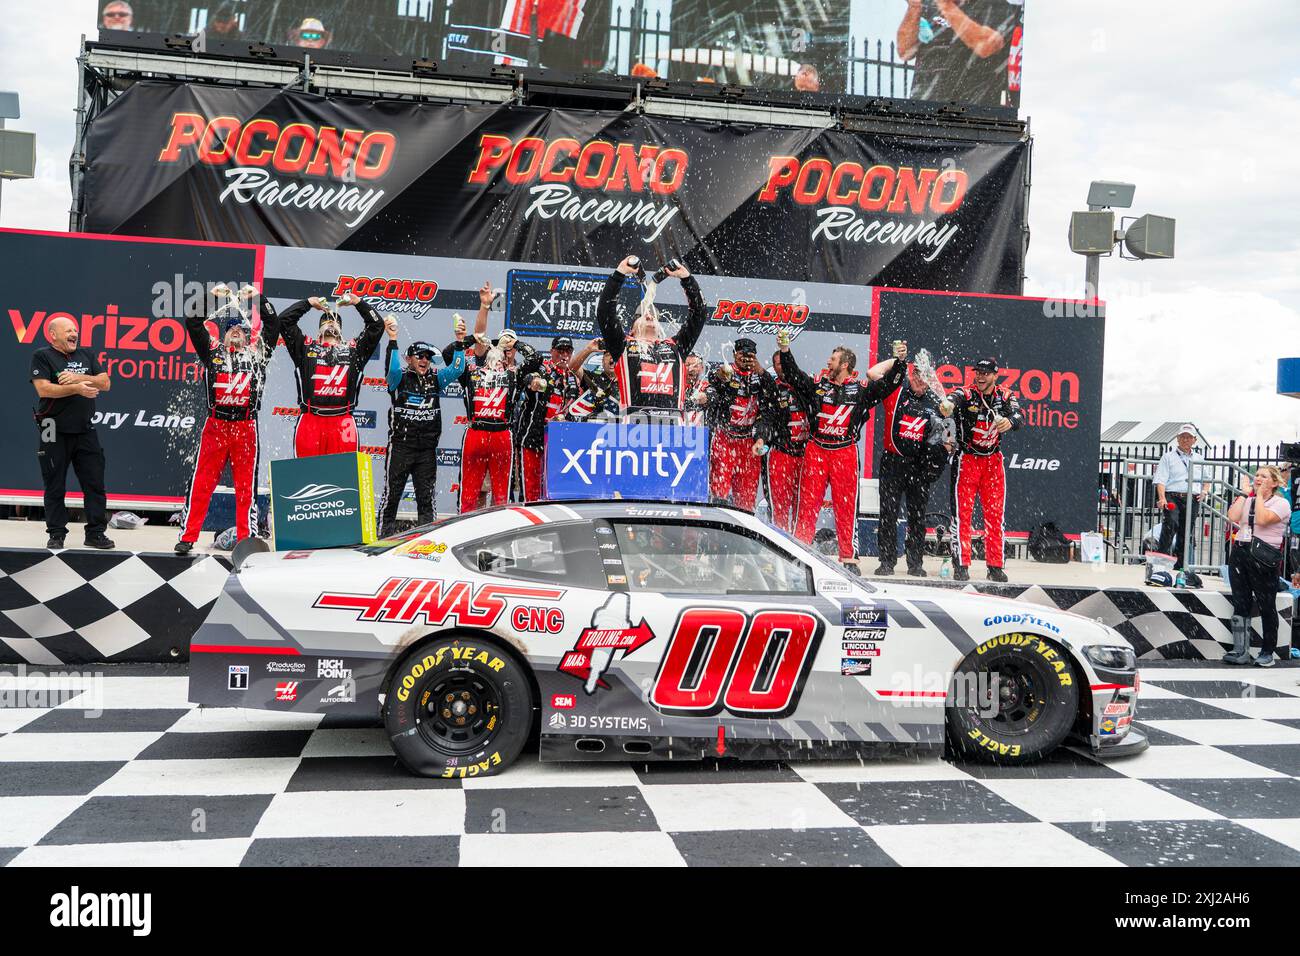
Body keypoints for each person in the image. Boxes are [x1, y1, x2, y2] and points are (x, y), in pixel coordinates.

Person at [780, 337, 908, 569]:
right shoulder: (818, 384)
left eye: (833, 358)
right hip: (816, 448)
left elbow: (890, 384)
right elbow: (794, 376)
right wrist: (785, 351)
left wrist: (900, 361)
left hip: (845, 452)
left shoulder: (860, 390)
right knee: (807, 504)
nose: (828, 361)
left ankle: (848, 557)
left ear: (845, 364)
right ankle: (800, 553)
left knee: (846, 506)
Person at [175, 284, 279, 554]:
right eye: (232, 329)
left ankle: (247, 540)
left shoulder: (258, 355)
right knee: (202, 483)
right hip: (216, 426)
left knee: (246, 488)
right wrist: (212, 297)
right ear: (223, 336)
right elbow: (193, 321)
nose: (236, 332)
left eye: (241, 330)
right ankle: (188, 536)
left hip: (246, 427)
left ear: (247, 337)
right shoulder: (212, 353)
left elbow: (273, 322)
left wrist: (257, 298)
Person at [378, 317, 468, 535]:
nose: (424, 360)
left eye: (428, 357)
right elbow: (391, 368)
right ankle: (382, 539)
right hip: (401, 447)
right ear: (409, 359)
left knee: (426, 501)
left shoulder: (436, 378)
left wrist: (459, 342)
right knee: (391, 497)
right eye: (420, 356)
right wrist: (392, 339)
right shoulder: (398, 379)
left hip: (427, 451)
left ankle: (427, 540)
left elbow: (457, 369)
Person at [31, 317, 115, 550]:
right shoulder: (43, 355)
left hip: (85, 430)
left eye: (76, 330)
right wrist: (75, 389)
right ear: (53, 335)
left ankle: (96, 533)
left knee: (95, 483)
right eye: (68, 330)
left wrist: (79, 378)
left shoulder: (86, 354)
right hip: (51, 428)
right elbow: (44, 388)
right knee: (54, 483)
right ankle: (56, 534)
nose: (74, 333)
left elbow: (105, 382)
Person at [596, 256, 707, 423]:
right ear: (631, 329)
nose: (649, 315)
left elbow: (699, 313)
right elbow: (605, 312)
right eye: (642, 315)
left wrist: (686, 279)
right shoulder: (623, 346)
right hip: (633, 433)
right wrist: (619, 274)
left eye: (654, 315)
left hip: (674, 431)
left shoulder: (676, 347)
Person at [943, 357, 1022, 581]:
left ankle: (995, 566)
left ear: (995, 376)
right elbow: (952, 399)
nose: (980, 376)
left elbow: (1019, 415)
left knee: (995, 516)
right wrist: (947, 405)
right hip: (967, 460)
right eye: (978, 372)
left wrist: (1010, 422)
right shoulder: (965, 394)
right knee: (962, 515)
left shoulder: (1005, 395)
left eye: (986, 373)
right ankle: (961, 564)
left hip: (993, 462)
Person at [279, 292, 385, 457]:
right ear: (319, 329)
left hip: (343, 422)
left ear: (340, 330)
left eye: (335, 322)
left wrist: (358, 302)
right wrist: (308, 302)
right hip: (310, 420)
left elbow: (377, 325)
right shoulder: (305, 349)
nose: (330, 323)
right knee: (305, 477)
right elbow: (284, 321)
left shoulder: (354, 350)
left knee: (344, 479)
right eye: (326, 321)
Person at [876, 363, 950, 576]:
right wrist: (896, 359)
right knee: (888, 514)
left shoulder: (938, 403)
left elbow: (948, 439)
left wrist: (940, 456)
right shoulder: (896, 391)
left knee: (917, 517)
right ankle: (887, 562)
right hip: (893, 462)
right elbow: (873, 374)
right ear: (909, 375)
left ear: (930, 379)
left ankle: (915, 563)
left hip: (919, 466)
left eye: (924, 376)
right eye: (915, 375)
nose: (919, 379)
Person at [458, 327, 542, 513]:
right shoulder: (477, 372)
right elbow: (453, 358)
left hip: (504, 436)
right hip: (478, 434)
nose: (503, 351)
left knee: (501, 493)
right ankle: (470, 526)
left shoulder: (516, 373)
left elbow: (536, 360)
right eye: (501, 345)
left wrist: (516, 344)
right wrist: (468, 339)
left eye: (508, 345)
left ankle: (496, 530)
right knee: (475, 492)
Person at [1225, 466, 1291, 667]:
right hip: (1241, 551)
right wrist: (1246, 495)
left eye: (1264, 476)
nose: (1258, 478)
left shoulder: (1281, 503)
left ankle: (1267, 652)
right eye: (1257, 475)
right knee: (1241, 601)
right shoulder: (1249, 499)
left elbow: (1262, 519)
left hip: (1263, 557)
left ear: (1274, 483)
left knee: (1266, 605)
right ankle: (1240, 650)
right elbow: (1233, 516)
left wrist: (1260, 497)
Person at [897, 0, 1021, 107]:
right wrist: (914, 6)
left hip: (972, 116)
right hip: (924, 109)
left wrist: (946, 6)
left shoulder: (996, 7)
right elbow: (904, 51)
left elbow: (985, 46)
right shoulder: (929, 6)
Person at [704, 338, 771, 511]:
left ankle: (742, 533)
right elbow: (712, 384)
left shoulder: (761, 377)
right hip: (724, 439)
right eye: (742, 354)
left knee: (747, 500)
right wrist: (719, 378)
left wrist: (761, 438)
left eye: (750, 355)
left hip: (748, 442)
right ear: (734, 354)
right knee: (719, 494)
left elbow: (768, 408)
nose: (746, 359)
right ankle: (715, 533)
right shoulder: (726, 371)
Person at [516, 336, 580, 501]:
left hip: (557, 443)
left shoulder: (573, 379)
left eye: (568, 351)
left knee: (552, 492)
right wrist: (534, 382)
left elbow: (573, 410)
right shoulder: (543, 369)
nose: (564, 354)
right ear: (552, 351)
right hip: (533, 439)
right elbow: (529, 379)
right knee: (530, 493)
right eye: (560, 350)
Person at [760, 343, 812, 533]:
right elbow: (765, 417)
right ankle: (778, 548)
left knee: (803, 505)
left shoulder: (806, 384)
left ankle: (799, 548)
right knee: (779, 505)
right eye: (777, 364)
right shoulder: (773, 389)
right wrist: (761, 438)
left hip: (806, 455)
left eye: (783, 363)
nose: (781, 367)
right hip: (781, 453)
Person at [1154, 424, 1206, 570]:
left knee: (1186, 531)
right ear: (1177, 439)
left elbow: (1207, 478)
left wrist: (1205, 491)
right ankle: (1161, 560)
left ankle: (1180, 565)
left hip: (1192, 497)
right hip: (1173, 495)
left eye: (1189, 437)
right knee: (1170, 523)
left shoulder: (1199, 458)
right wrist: (1162, 498)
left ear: (1194, 440)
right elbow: (1161, 480)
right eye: (1183, 437)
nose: (1185, 440)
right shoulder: (1168, 457)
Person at [566, 340, 620, 422]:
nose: (612, 359)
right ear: (602, 361)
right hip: (591, 429)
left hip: (617, 431)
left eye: (615, 356)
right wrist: (588, 349)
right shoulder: (593, 378)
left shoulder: (627, 383)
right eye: (608, 355)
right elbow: (572, 368)